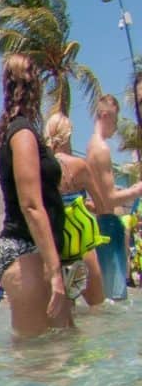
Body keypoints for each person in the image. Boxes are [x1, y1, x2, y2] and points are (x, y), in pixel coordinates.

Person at [0, 54, 71, 338]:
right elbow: (30, 205)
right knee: (37, 363)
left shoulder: (15, 130)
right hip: (25, 253)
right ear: (34, 87)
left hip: (30, 255)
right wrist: (54, 273)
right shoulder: (22, 132)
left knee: (59, 349)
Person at [43, 112, 108, 308]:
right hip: (81, 248)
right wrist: (87, 206)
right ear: (69, 135)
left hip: (53, 250)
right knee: (98, 309)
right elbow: (101, 205)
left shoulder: (42, 168)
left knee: (64, 317)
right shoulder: (79, 166)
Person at [84, 94, 142, 302]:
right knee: (117, 298)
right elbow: (109, 201)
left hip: (100, 226)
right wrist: (136, 191)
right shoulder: (102, 149)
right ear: (105, 115)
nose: (116, 127)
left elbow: (98, 200)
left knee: (107, 297)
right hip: (109, 224)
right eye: (115, 120)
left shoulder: (90, 147)